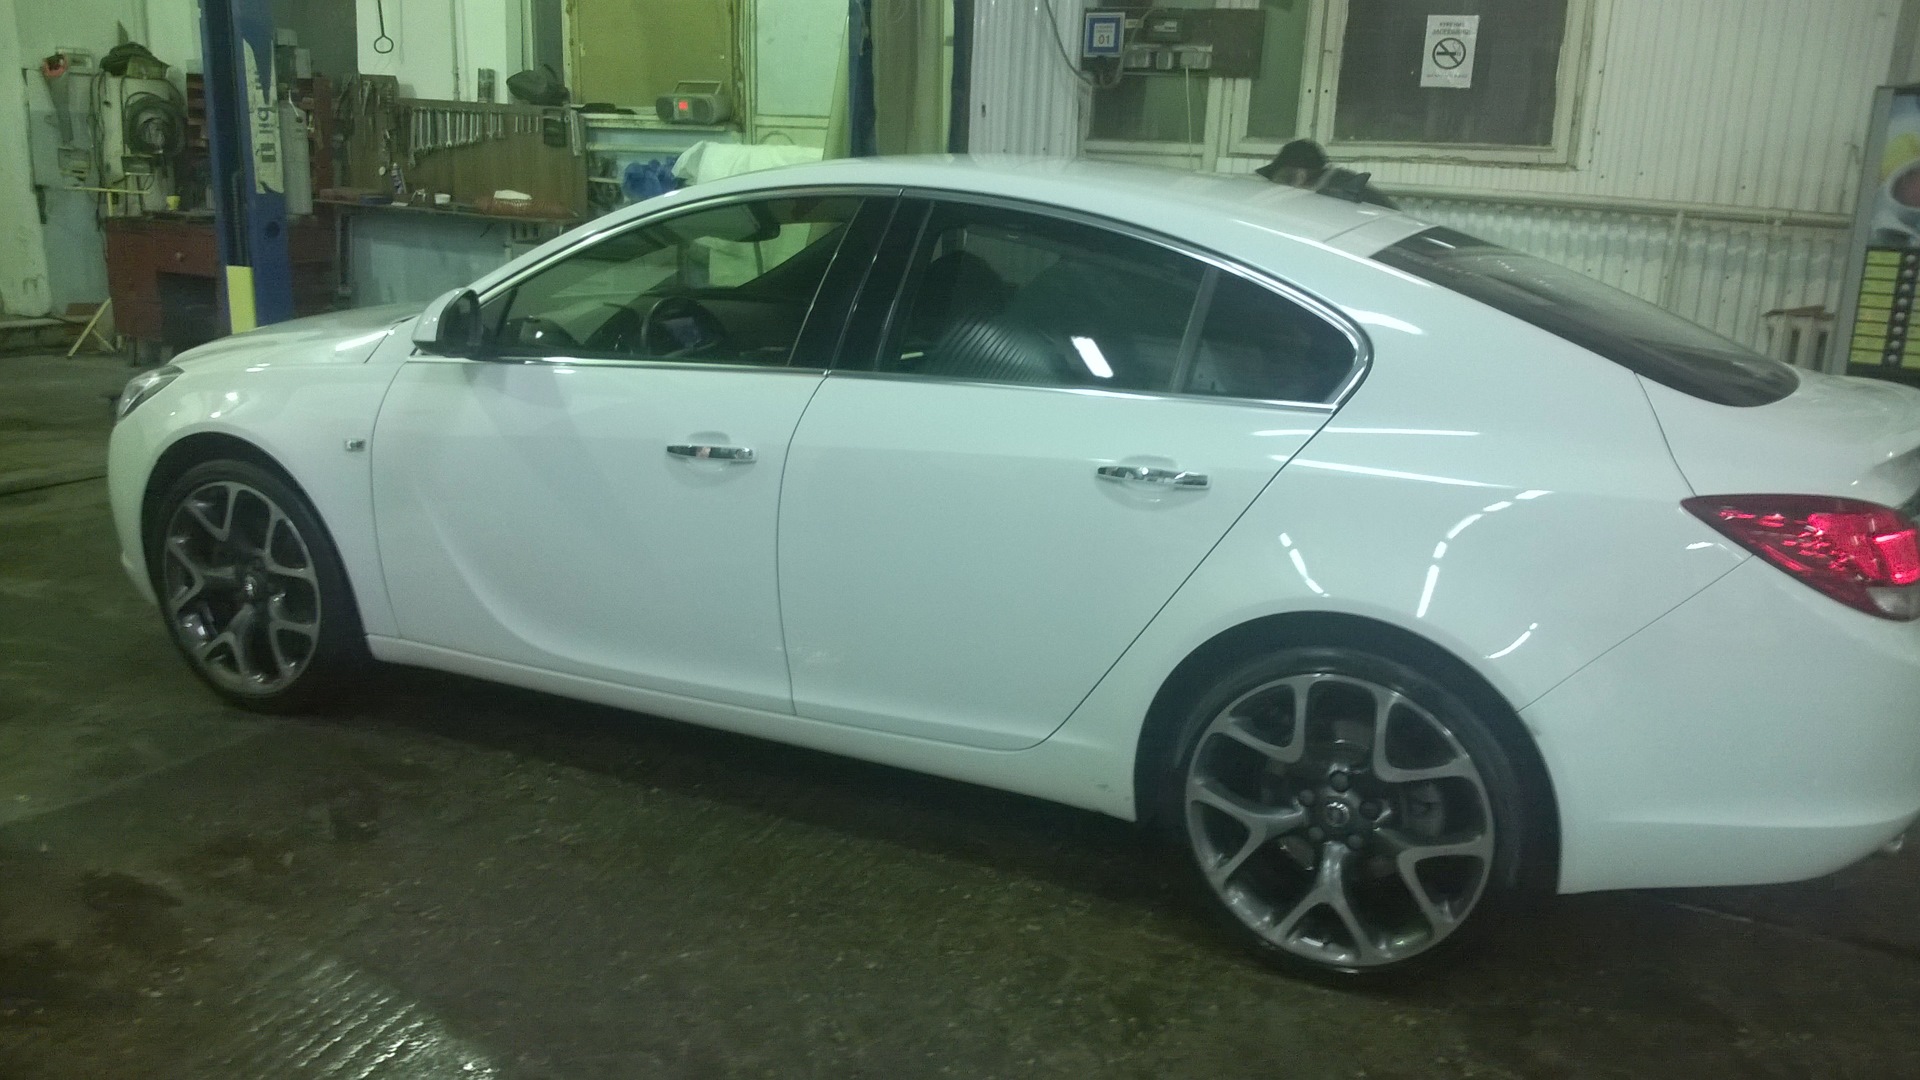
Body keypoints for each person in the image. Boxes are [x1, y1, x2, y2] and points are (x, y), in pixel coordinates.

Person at [1255, 139, 1398, 209]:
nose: (1275, 185)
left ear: (1300, 177)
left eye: (1279, 179)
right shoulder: (1342, 182)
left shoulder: (1331, 198)